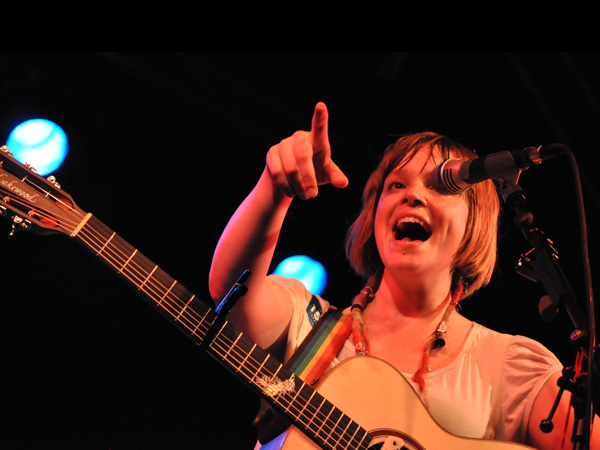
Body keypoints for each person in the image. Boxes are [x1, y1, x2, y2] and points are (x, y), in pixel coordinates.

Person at [209, 102, 598, 449]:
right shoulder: (304, 323)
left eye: (441, 185)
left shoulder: (505, 365)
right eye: (396, 185)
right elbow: (231, 291)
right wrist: (274, 187)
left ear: (474, 222)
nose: (412, 195)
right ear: (375, 215)